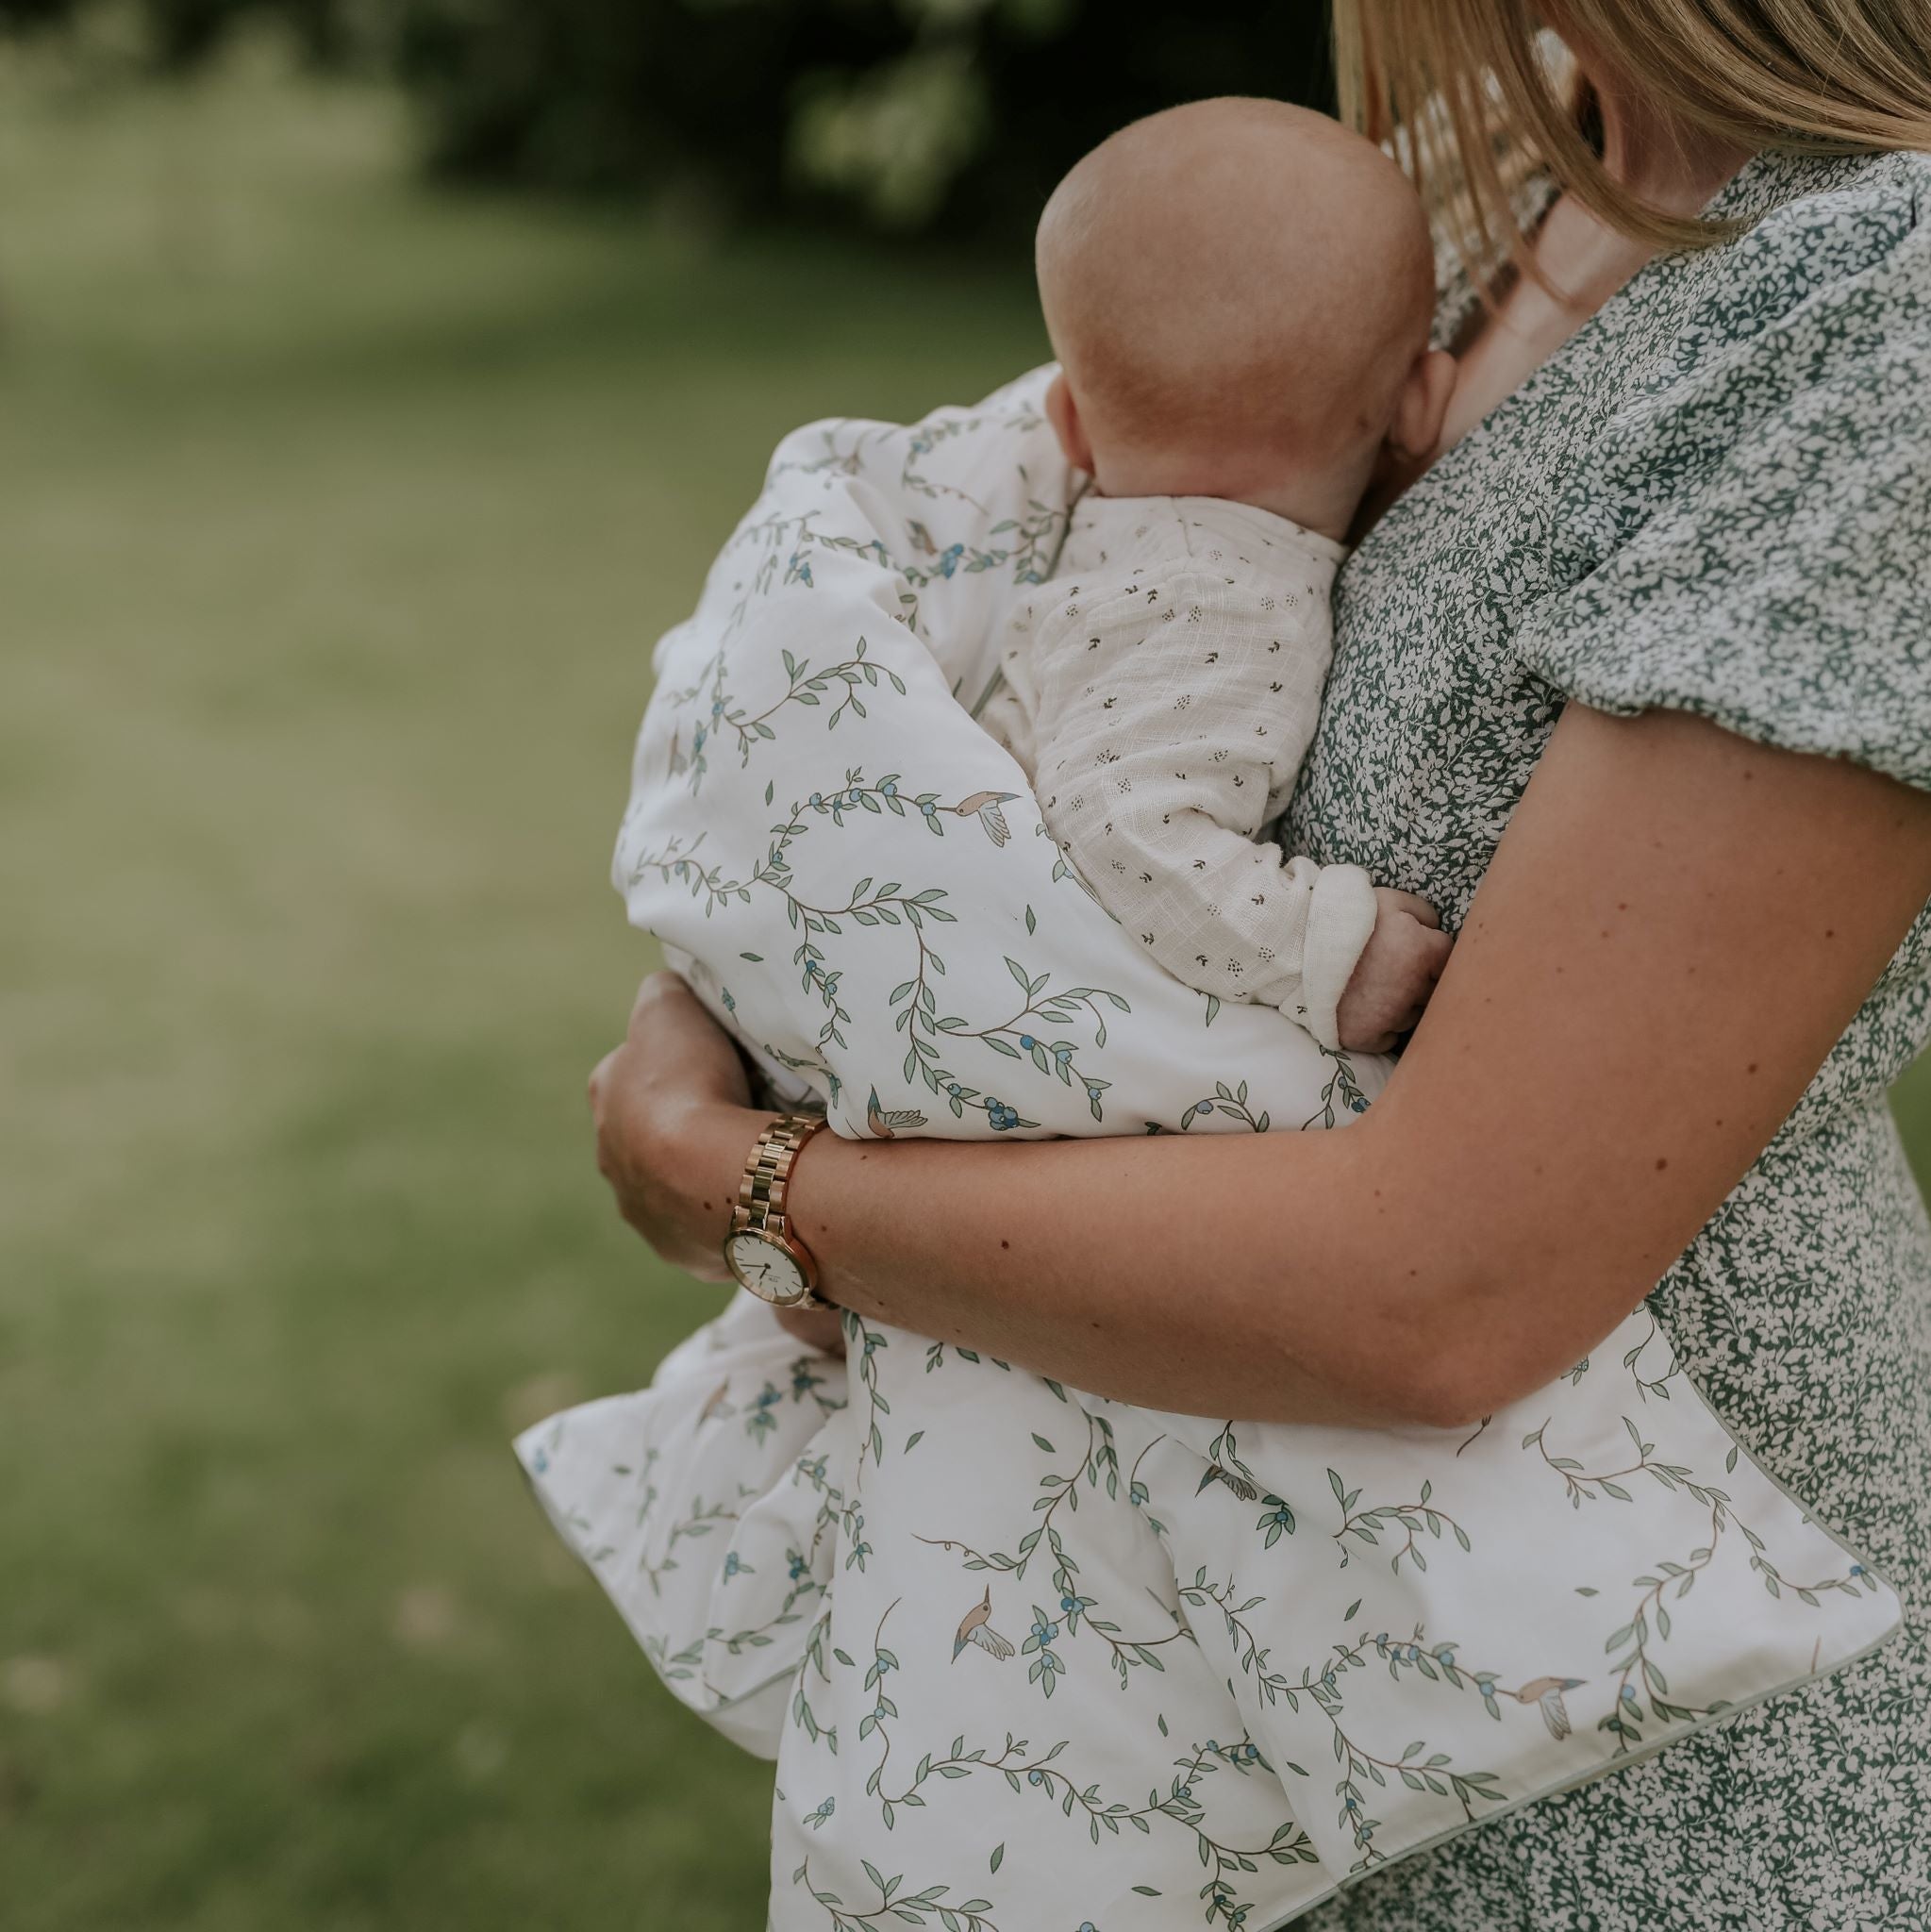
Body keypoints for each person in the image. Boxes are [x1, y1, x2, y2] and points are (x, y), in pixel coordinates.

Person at [589, 2, 1931, 1924]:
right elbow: (1064, 652)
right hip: (1201, 1637)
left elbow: (1444, 1286)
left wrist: (765, 1192)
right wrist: (784, 948)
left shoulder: (1878, 303)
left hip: (1633, 1758)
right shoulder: (1471, 195)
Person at [981, 96, 1455, 1053]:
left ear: (1068, 424)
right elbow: (1122, 823)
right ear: (1419, 403)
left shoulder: (1140, 546)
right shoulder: (1222, 597)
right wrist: (1326, 951)